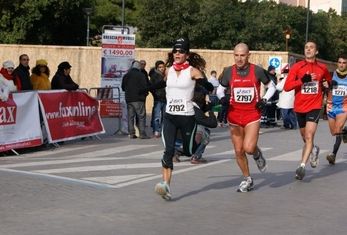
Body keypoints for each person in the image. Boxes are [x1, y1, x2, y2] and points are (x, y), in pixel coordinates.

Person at [142, 38, 214, 200]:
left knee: (189, 151)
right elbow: (162, 84)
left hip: (187, 117)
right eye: (175, 51)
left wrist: (206, 84)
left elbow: (205, 85)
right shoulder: (168, 70)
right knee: (168, 151)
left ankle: (202, 138)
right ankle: (165, 185)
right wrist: (146, 88)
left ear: (186, 54)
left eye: (181, 51)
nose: (177, 53)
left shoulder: (193, 71)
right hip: (170, 116)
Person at [217, 43, 276, 193]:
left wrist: (264, 99)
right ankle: (247, 178)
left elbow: (272, 86)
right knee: (238, 150)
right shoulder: (229, 71)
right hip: (234, 115)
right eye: (236, 55)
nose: (239, 58)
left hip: (252, 114)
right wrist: (222, 98)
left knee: (248, 148)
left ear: (248, 56)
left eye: (242, 55)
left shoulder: (257, 70)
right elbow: (220, 89)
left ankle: (257, 154)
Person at [283, 41, 331, 180]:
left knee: (309, 135)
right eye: (306, 47)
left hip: (315, 106)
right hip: (299, 107)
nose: (308, 49)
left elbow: (328, 81)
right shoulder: (297, 67)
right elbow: (287, 87)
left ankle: (302, 166)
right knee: (305, 138)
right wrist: (302, 80)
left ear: (316, 51)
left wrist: (327, 84)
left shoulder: (322, 68)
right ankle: (314, 149)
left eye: (311, 48)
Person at [325, 54, 347, 164]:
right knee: (334, 133)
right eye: (340, 62)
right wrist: (328, 85)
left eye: (344, 63)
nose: (342, 65)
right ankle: (345, 132)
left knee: (337, 129)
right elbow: (323, 85)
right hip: (330, 107)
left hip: (344, 107)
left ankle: (333, 154)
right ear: (337, 63)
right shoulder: (331, 75)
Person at [121, 60, 150, 139]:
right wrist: (145, 94)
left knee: (130, 116)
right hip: (139, 99)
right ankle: (142, 133)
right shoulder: (141, 75)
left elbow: (123, 88)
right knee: (141, 116)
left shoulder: (126, 75)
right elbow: (145, 86)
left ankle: (131, 133)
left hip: (129, 99)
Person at [149, 60, 166, 138]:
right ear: (157, 68)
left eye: (163, 67)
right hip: (158, 99)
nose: (162, 68)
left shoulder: (166, 75)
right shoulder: (154, 76)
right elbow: (151, 87)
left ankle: (163, 130)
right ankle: (156, 130)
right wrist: (155, 94)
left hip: (166, 99)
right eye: (160, 67)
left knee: (165, 116)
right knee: (156, 116)